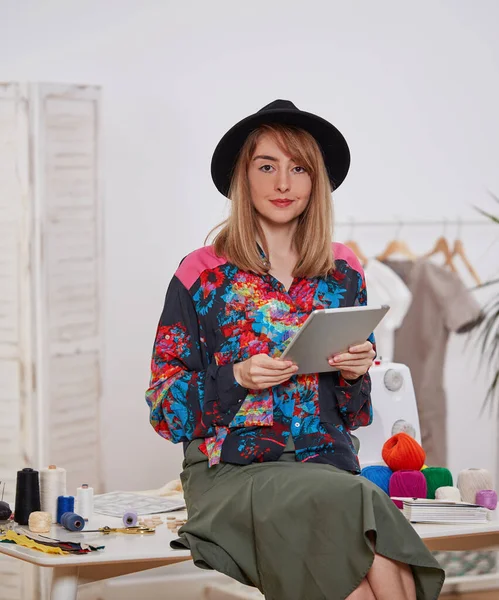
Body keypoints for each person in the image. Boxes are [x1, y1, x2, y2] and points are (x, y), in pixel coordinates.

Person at [145, 100, 444, 600]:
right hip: (235, 474)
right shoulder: (202, 274)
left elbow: (352, 412)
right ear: (245, 177)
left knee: (367, 556)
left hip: (327, 467)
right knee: (364, 513)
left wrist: (354, 374)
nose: (284, 183)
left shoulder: (343, 271)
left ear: (315, 182)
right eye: (267, 167)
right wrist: (236, 377)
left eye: (299, 168)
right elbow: (163, 409)